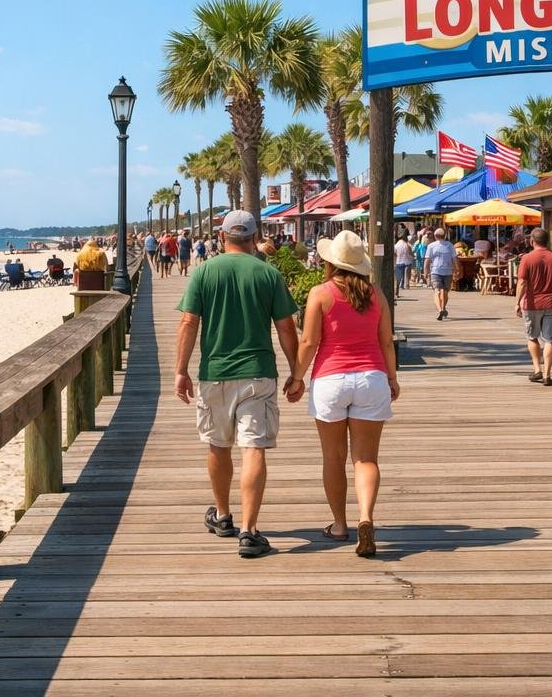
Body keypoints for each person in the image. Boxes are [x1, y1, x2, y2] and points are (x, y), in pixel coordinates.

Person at [174, 210, 301, 558]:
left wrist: (181, 370)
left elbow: (188, 323)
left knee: (218, 445)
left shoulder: (204, 272)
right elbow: (286, 327)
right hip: (258, 372)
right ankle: (250, 530)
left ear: (222, 236)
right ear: (254, 238)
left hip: (214, 372)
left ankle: (223, 515)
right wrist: (296, 371)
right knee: (253, 447)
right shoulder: (268, 273)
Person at [291, 230, 399, 557]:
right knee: (366, 459)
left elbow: (309, 342)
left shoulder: (320, 294)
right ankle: (366, 518)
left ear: (330, 262)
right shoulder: (376, 294)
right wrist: (392, 378)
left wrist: (296, 378)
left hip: (330, 380)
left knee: (333, 457)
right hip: (371, 378)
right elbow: (385, 342)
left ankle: (339, 525)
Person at [516, 228, 552, 386]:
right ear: (548, 241)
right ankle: (547, 374)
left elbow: (522, 282)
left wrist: (517, 302)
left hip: (532, 303)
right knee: (549, 340)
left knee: (532, 336)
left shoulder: (527, 258)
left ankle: (537, 369)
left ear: (532, 241)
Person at [425, 228, 457, 321]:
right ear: (445, 236)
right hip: (448, 271)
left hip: (435, 270)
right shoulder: (450, 245)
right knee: (445, 291)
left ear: (435, 236)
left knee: (437, 291)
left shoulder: (431, 246)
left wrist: (426, 271)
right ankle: (443, 308)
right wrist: (457, 269)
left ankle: (439, 310)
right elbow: (454, 259)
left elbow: (427, 260)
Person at [393, 233, 413, 298]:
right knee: (406, 274)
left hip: (398, 262)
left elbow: (394, 253)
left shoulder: (397, 245)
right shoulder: (407, 245)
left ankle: (397, 292)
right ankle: (406, 284)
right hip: (407, 261)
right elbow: (410, 253)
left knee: (398, 277)